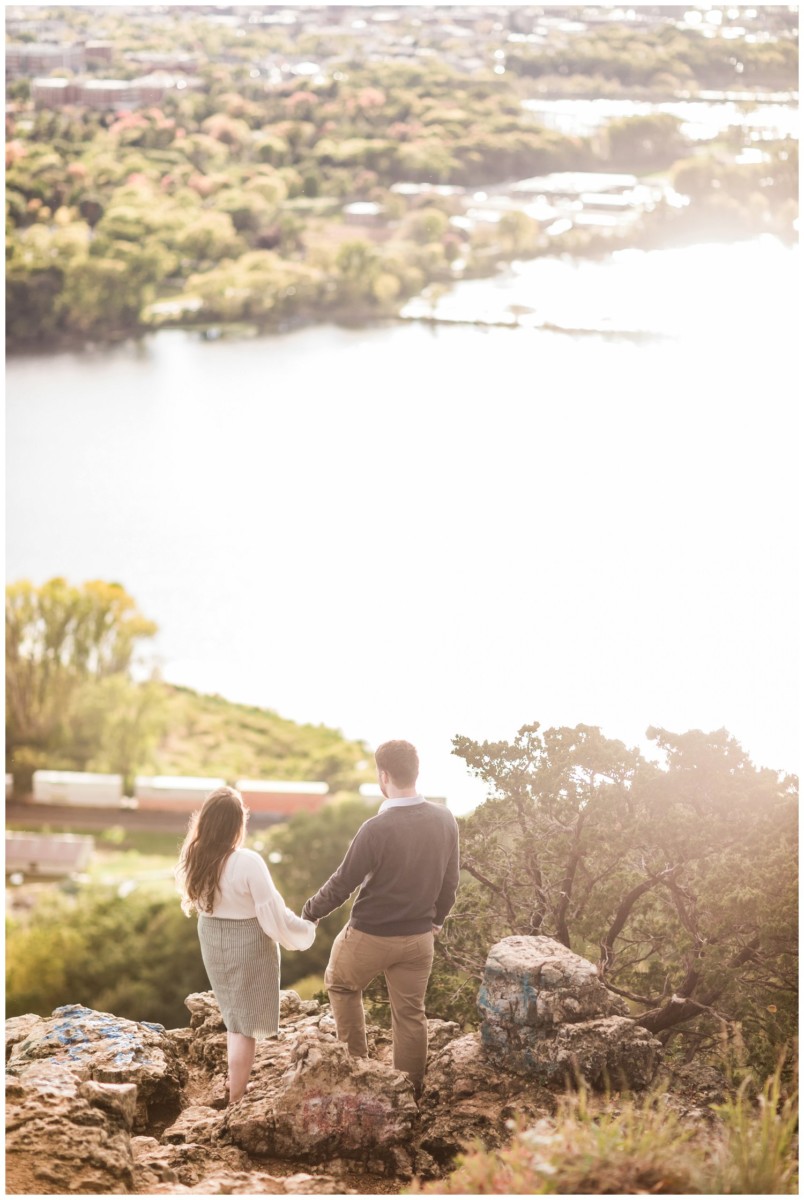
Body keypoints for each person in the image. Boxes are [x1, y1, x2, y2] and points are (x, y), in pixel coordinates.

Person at [302, 740, 460, 1095]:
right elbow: (451, 880)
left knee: (341, 983)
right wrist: (437, 918)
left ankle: (357, 1070)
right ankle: (409, 1091)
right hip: (419, 939)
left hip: (369, 937)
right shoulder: (445, 818)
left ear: (383, 775)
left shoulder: (376, 827)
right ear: (416, 772)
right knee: (410, 1014)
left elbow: (343, 883)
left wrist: (310, 912)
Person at [176, 785, 315, 1104]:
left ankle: (235, 1082)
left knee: (233, 1017)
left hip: (211, 937)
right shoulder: (247, 861)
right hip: (248, 942)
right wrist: (305, 927)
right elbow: (273, 912)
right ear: (238, 824)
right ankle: (236, 1095)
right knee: (244, 1026)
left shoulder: (193, 856)